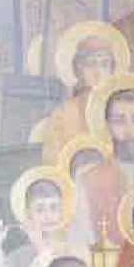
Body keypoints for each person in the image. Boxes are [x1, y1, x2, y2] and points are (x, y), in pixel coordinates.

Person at [79, 79, 134, 243]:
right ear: (108, 126)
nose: (129, 129)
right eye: (119, 121)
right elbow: (82, 237)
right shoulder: (89, 180)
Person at [42, 26, 122, 164]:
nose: (98, 72)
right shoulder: (62, 113)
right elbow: (53, 160)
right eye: (91, 64)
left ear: (112, 70)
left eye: (104, 64)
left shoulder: (121, 109)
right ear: (78, 69)